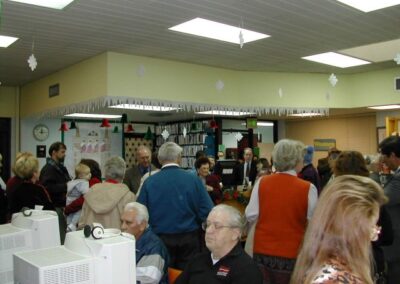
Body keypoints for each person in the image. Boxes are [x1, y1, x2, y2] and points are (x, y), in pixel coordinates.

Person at [291, 175, 388, 284]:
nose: (375, 236)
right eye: (372, 228)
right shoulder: (335, 279)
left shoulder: (328, 267)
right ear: (350, 232)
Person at [245, 139, 318, 284]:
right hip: (293, 253)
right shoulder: (308, 188)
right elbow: (314, 223)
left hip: (262, 251)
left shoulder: (262, 183)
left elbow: (251, 215)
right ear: (297, 160)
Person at [137, 142, 213, 270]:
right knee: (187, 275)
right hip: (189, 237)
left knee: (162, 274)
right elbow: (207, 209)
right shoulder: (193, 180)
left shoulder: (150, 182)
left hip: (159, 237)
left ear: (160, 160)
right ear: (179, 158)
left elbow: (140, 212)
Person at [332, 150, 393, 282]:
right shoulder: (373, 195)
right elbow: (388, 237)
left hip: (341, 263)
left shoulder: (332, 198)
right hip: (370, 262)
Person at [176, 204, 263, 284]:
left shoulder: (246, 270)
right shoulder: (197, 260)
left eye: (217, 226)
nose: (209, 231)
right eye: (208, 224)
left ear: (235, 233)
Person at [79, 156, 136, 229]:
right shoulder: (128, 196)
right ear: (123, 174)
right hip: (117, 239)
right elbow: (131, 226)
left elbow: (82, 222)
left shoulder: (91, 192)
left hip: (92, 238)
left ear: (105, 172)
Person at [121, 202, 169, 284]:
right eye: (122, 221)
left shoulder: (154, 248)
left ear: (142, 225)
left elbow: (147, 281)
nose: (122, 227)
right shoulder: (127, 240)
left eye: (128, 222)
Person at [379, 136, 400, 283]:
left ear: (392, 155)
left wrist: (373, 175)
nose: (382, 161)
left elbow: (382, 199)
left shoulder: (398, 178)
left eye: (384, 157)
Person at [39, 142, 71, 208]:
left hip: (62, 204)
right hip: (55, 206)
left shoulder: (61, 167)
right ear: (54, 152)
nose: (64, 154)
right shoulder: (48, 169)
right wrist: (66, 185)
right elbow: (47, 188)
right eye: (62, 152)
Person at [66, 163, 91, 232]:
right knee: (79, 211)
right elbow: (86, 194)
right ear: (80, 176)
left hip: (69, 201)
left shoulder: (72, 182)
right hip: (75, 201)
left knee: (70, 215)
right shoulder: (84, 182)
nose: (90, 175)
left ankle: (69, 225)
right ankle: (73, 225)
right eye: (87, 174)